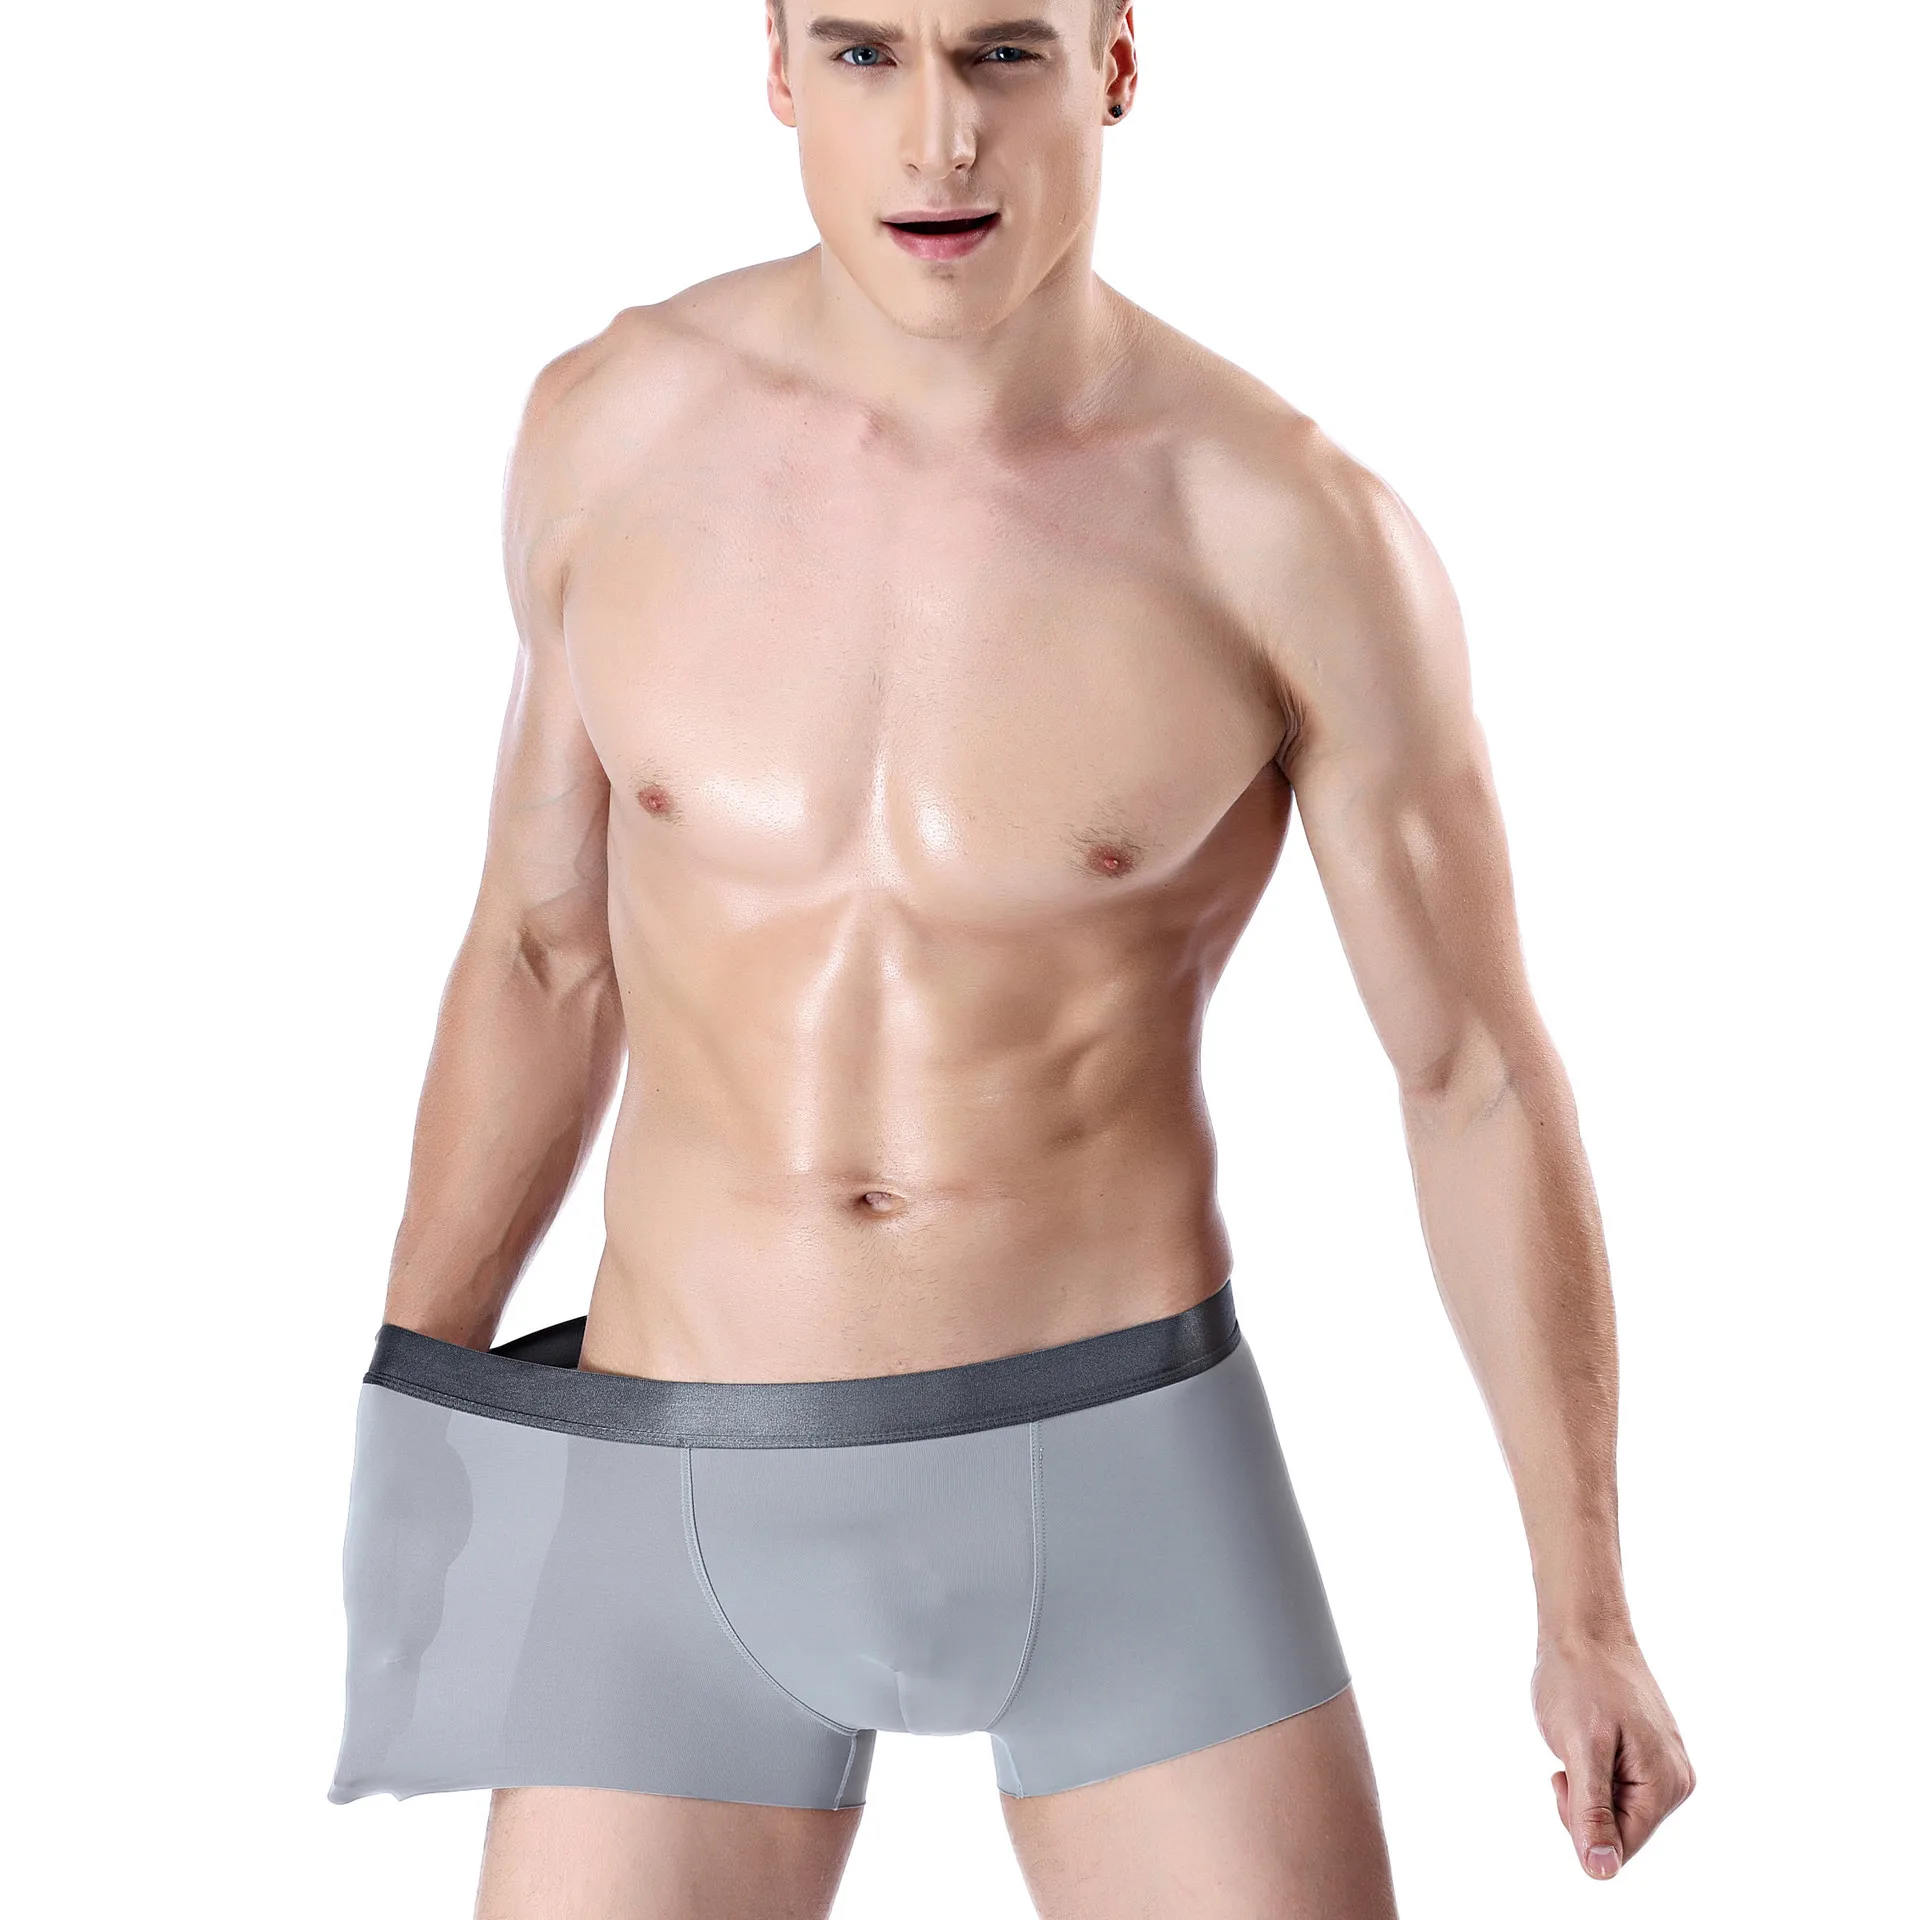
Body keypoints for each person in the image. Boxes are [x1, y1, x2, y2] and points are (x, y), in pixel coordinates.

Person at [327, 4, 1695, 1913]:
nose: (938, 141)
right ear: (776, 64)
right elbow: (542, 957)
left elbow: (1468, 1071)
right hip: (666, 1467)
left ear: (1115, 62)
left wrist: (1586, 1603)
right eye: (866, 54)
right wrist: (423, 1418)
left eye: (1002, 54)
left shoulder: (1283, 527)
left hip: (1118, 1480)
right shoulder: (610, 429)